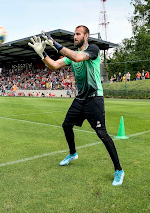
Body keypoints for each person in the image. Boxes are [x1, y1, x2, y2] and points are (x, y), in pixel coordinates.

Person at [28, 25, 124, 186]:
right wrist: (42, 53)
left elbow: (78, 57)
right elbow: (54, 65)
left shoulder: (93, 49)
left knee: (102, 134)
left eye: (78, 34)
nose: (75, 37)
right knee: (66, 126)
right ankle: (73, 153)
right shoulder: (71, 56)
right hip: (80, 99)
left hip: (94, 99)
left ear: (86, 36)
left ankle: (119, 170)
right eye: (74, 34)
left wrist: (56, 44)